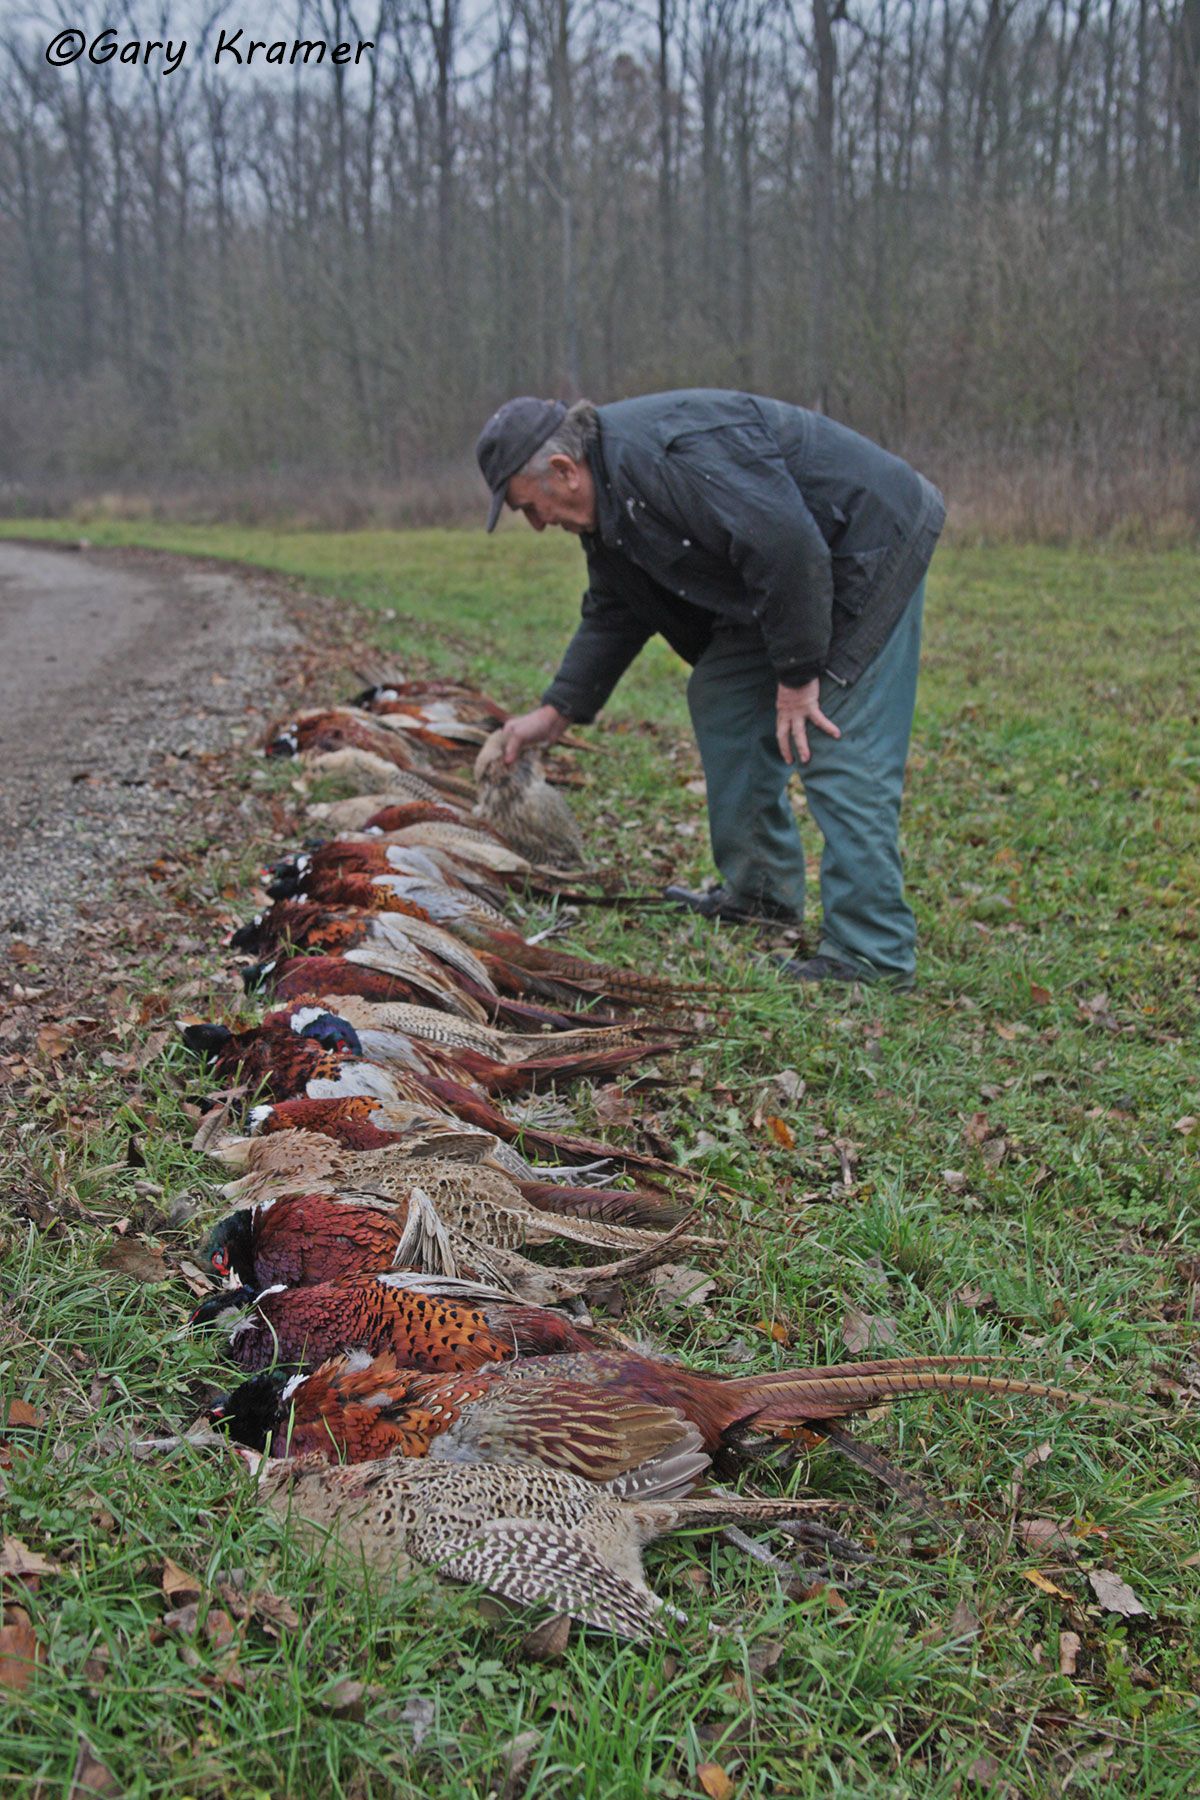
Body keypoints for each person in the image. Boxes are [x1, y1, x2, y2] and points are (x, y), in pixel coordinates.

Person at [474, 389, 944, 987]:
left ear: (564, 471)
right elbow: (617, 607)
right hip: (787, 577)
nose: (538, 526)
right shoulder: (611, 499)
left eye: (529, 508)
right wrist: (556, 711)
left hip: (863, 548)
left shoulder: (668, 455)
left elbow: (787, 544)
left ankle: (872, 953)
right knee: (722, 693)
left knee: (834, 736)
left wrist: (799, 677)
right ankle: (761, 895)